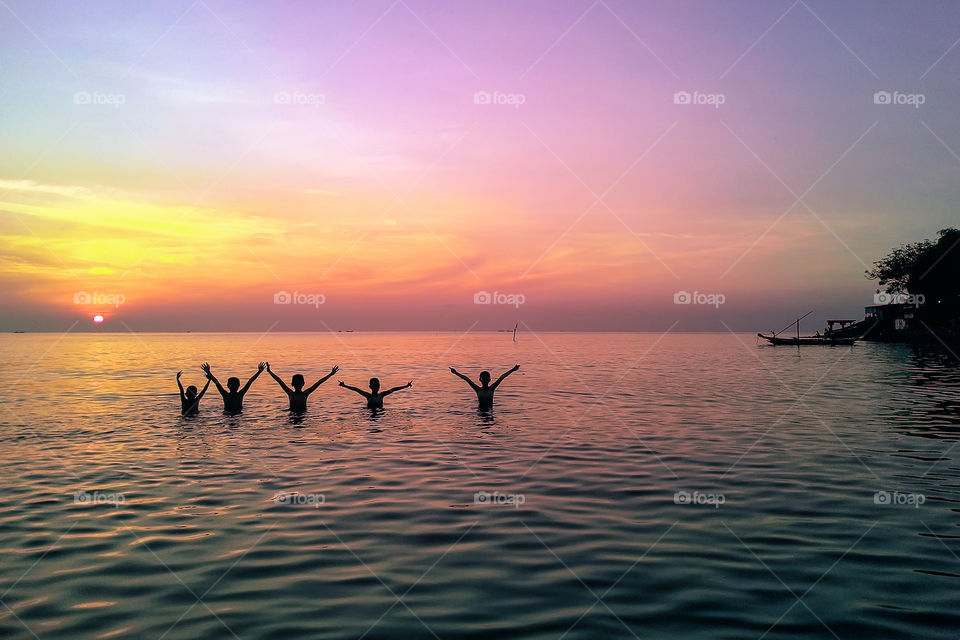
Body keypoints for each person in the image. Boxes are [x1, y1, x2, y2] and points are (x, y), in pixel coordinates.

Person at [265, 362, 338, 413]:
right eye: (297, 383)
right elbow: (279, 380)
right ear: (303, 384)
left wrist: (331, 374)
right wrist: (269, 371)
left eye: (299, 383)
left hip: (295, 414)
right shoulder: (303, 394)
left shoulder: (292, 393)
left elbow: (319, 382)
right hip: (302, 415)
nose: (298, 385)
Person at [201, 362, 265, 414]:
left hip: (227, 414)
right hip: (238, 414)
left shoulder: (225, 395)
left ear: (228, 385)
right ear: (239, 385)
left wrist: (209, 372)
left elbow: (216, 382)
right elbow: (250, 382)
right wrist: (259, 372)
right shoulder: (240, 394)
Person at [450, 365, 519, 410]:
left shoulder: (492, 388)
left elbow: (502, 377)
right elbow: (466, 379)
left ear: (489, 380)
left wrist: (512, 370)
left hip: (490, 411)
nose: (485, 379)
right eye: (483, 378)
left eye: (486, 378)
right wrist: (456, 373)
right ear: (480, 379)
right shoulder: (477, 389)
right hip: (480, 410)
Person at [339, 377, 412, 409]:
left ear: (379, 386)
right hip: (369, 412)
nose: (376, 387)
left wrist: (406, 386)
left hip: (380, 413)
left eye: (377, 385)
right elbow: (356, 389)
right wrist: (345, 385)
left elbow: (393, 389)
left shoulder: (381, 395)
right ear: (370, 386)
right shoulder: (368, 396)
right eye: (374, 386)